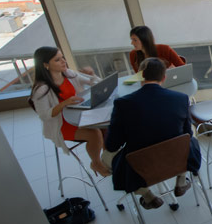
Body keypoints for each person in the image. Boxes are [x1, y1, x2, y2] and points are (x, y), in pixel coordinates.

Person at [102, 57, 201, 209]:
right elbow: (187, 133)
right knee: (189, 140)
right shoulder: (181, 99)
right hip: (175, 159)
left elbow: (113, 144)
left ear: (141, 75)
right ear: (164, 77)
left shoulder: (123, 104)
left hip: (142, 166)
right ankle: (181, 179)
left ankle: (147, 195)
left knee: (107, 157)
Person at [30, 46, 111, 177]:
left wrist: (92, 75)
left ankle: (108, 159)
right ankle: (96, 163)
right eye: (57, 60)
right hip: (62, 124)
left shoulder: (69, 74)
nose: (63, 61)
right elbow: (44, 115)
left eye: (63, 58)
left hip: (80, 115)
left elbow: (97, 83)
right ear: (46, 65)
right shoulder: (41, 89)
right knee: (95, 133)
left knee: (106, 125)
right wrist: (63, 104)